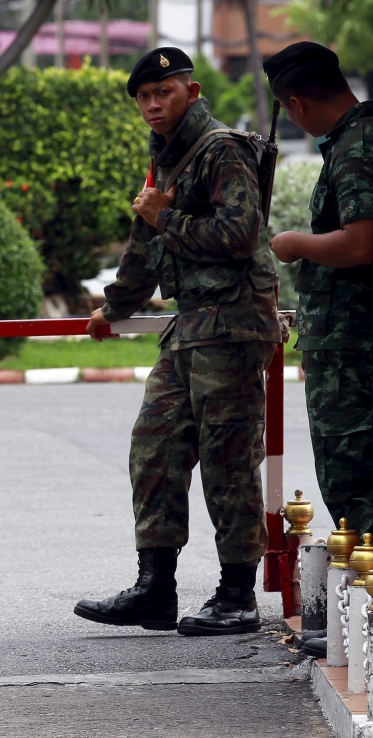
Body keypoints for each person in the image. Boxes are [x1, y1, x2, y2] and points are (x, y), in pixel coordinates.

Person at [73, 47, 282, 637]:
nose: (151, 105)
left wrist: (166, 217)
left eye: (162, 93)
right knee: (154, 448)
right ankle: (154, 588)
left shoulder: (222, 151)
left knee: (227, 459)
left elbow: (241, 234)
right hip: (190, 328)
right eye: (143, 96)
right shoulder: (164, 157)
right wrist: (116, 306)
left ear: (191, 93)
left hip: (233, 325)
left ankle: (237, 595)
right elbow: (145, 248)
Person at [264, 41, 373, 578]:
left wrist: (294, 244)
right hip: (363, 331)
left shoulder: (356, 146)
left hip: (352, 339)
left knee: (348, 475)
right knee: (355, 469)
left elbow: (361, 243)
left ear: (298, 103)